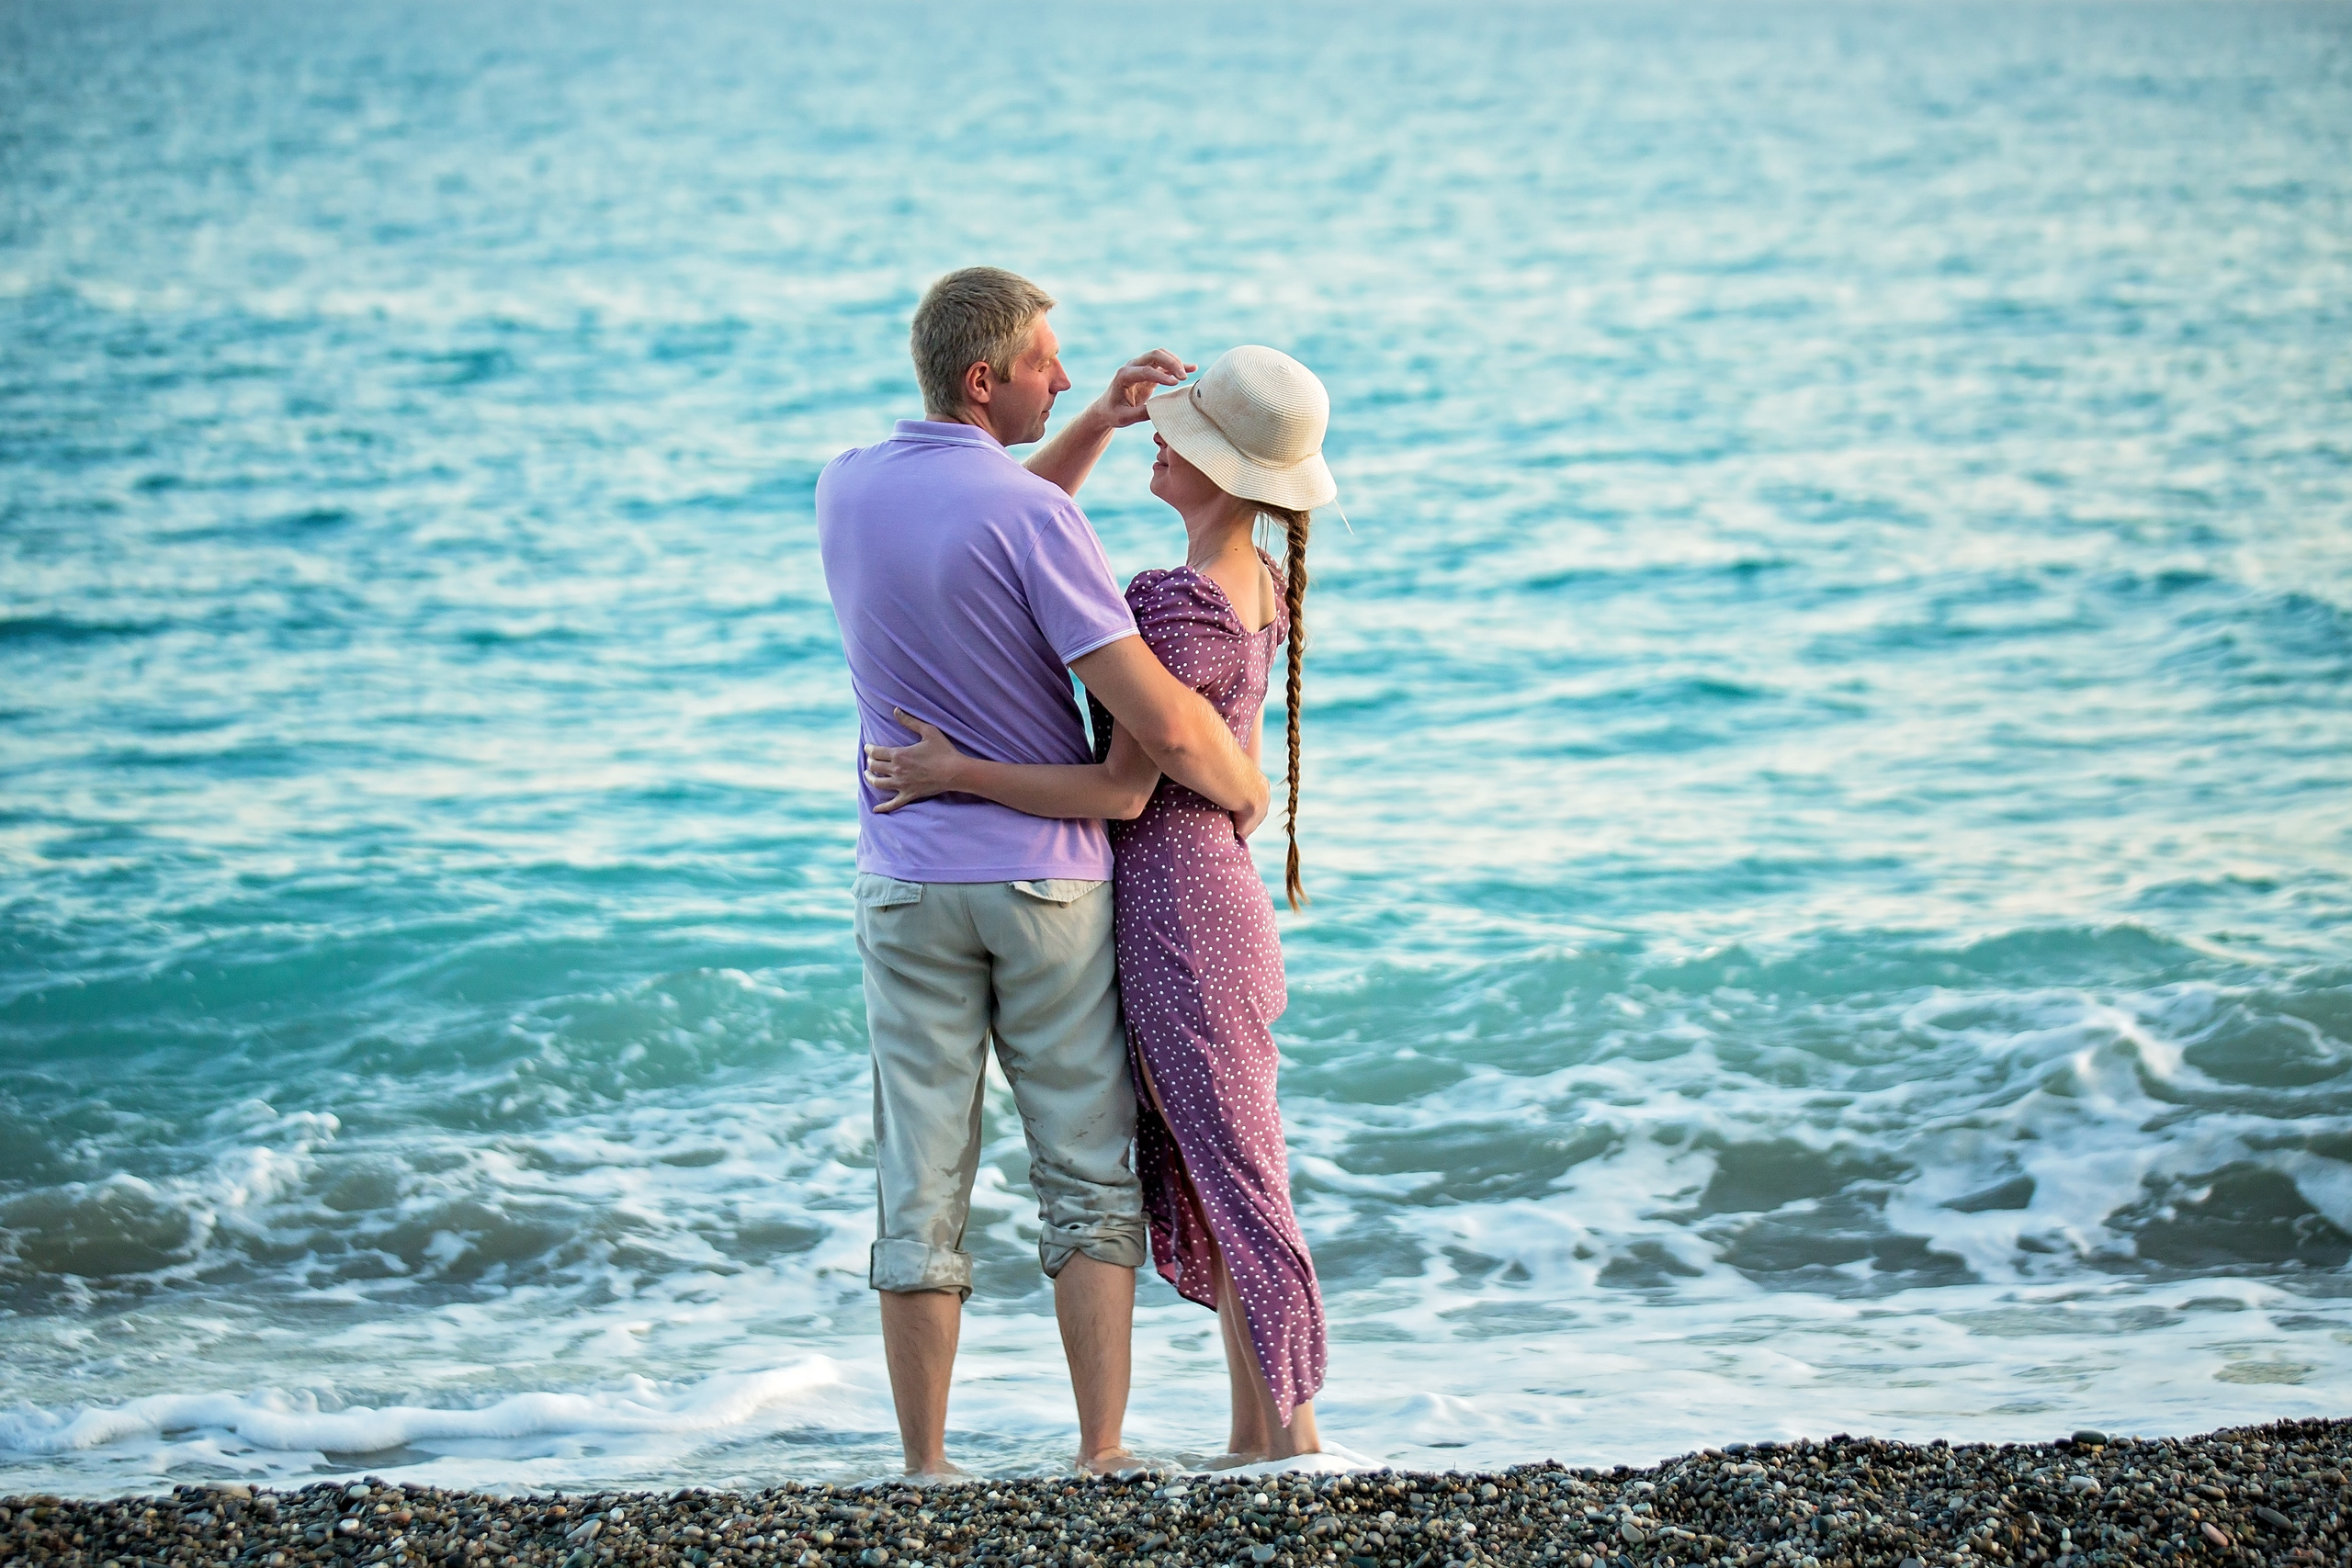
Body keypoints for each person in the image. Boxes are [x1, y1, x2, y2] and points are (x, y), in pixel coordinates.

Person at [815, 267, 1272, 1479]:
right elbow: (1160, 729)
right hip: (1045, 886)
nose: (1065, 377)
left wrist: (1097, 429)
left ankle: (924, 1465)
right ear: (984, 378)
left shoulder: (846, 486)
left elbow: (984, 522)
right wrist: (1245, 787)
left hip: (904, 881)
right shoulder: (1035, 521)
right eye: (1047, 365)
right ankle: (1102, 1446)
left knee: (919, 1169)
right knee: (1081, 1164)